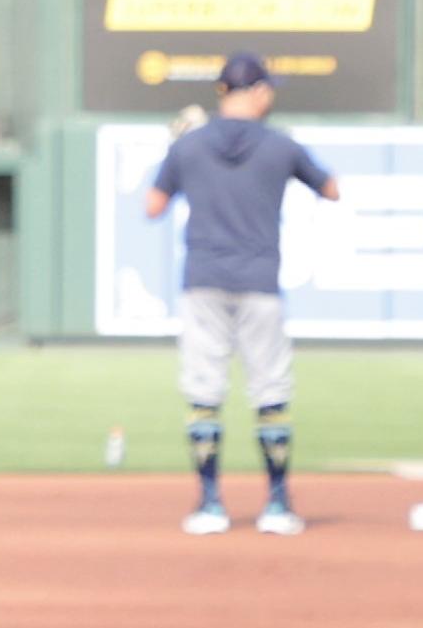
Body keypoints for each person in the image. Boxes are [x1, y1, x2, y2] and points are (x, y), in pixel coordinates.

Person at [144, 51, 340, 536]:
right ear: (257, 92)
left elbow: (152, 206)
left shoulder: (188, 145)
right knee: (271, 393)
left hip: (203, 280)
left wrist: (175, 148)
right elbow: (332, 190)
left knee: (203, 394)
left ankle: (210, 504)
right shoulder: (280, 145)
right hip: (259, 282)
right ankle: (277, 505)